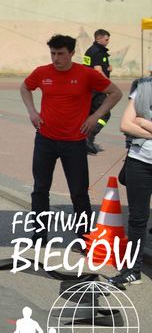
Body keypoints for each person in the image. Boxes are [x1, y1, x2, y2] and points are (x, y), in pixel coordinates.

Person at [19, 34, 122, 239]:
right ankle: (39, 234)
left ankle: (84, 236)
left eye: (61, 54)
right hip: (45, 140)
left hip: (74, 142)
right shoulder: (42, 72)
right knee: (40, 189)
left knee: (79, 192)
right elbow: (24, 87)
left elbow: (116, 93)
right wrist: (32, 112)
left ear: (72, 53)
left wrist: (95, 116)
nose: (56, 58)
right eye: (53, 53)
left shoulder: (86, 74)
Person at [110, 76, 152, 288]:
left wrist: (143, 122)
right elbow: (125, 124)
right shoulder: (143, 87)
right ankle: (133, 271)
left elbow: (134, 123)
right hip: (139, 162)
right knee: (137, 219)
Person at [83, 29, 112, 154]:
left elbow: (89, 67)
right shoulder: (98, 52)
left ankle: (83, 139)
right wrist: (109, 86)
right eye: (106, 39)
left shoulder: (90, 51)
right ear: (99, 38)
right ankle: (89, 137)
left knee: (89, 114)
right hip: (97, 89)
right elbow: (98, 71)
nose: (108, 41)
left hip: (88, 88)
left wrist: (108, 68)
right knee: (104, 114)